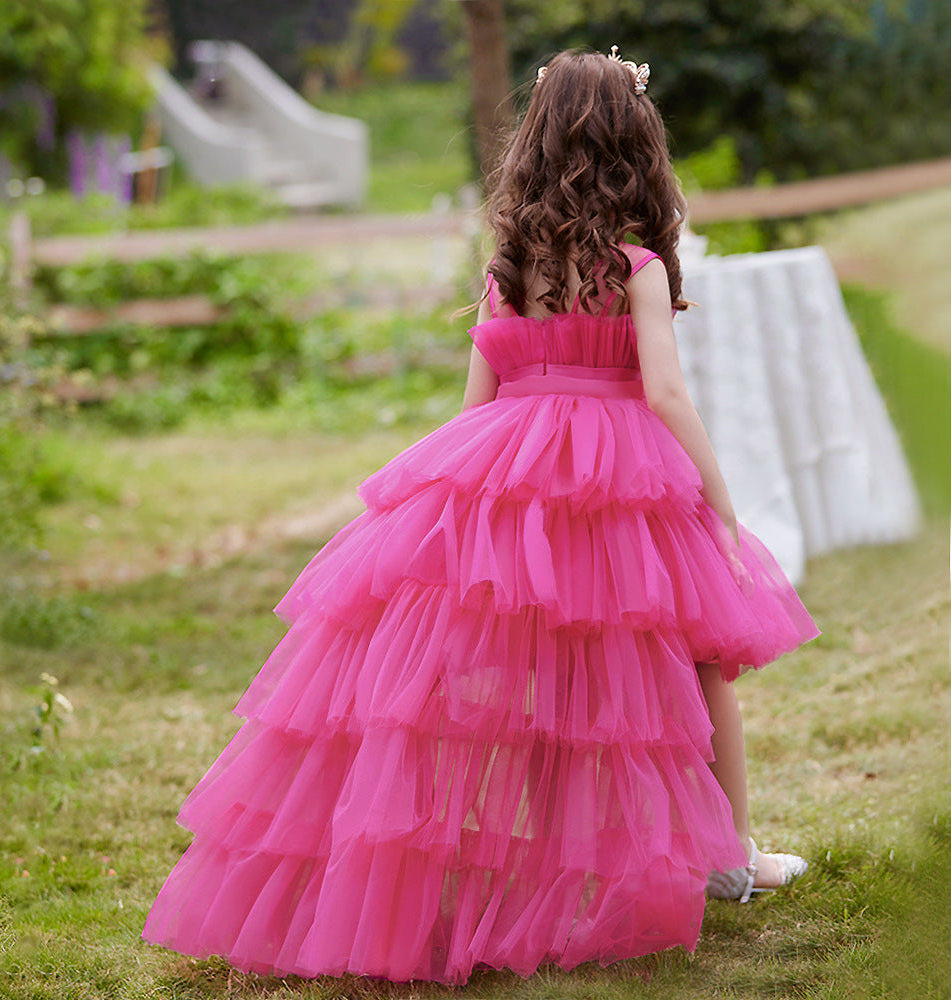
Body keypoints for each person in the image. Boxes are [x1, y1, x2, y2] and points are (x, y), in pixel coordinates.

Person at [142, 47, 819, 983]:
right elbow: (663, 389)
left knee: (518, 676)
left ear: (537, 145)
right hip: (622, 475)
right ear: (638, 144)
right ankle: (729, 859)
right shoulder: (634, 263)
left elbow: (477, 407)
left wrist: (458, 510)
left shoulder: (510, 267)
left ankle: (538, 855)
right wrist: (722, 500)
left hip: (509, 472)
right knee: (691, 661)